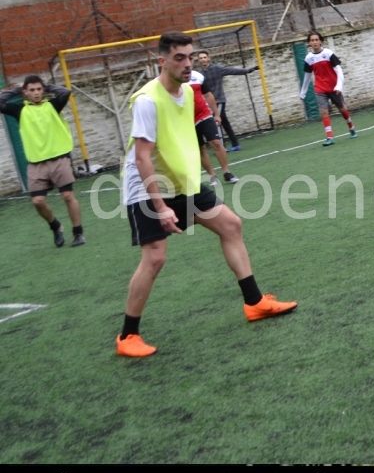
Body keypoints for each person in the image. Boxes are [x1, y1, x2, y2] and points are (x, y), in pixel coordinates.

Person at [117, 32, 297, 358]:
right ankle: (128, 335)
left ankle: (254, 303)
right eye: (179, 58)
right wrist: (161, 206)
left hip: (182, 182)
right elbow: (142, 158)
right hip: (146, 187)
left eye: (190, 57)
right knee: (155, 257)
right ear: (162, 61)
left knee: (231, 225)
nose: (187, 63)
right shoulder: (147, 100)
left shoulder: (188, 92)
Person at [0, 76, 85, 247]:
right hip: (36, 162)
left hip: (60, 157)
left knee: (68, 195)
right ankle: (55, 226)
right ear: (25, 92)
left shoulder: (53, 105)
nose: (36, 93)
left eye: (39, 89)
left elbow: (65, 92)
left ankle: (78, 233)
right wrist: (16, 90)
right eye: (32, 90)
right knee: (37, 201)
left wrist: (47, 85)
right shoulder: (19, 110)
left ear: (43, 90)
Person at [298, 31, 357, 146]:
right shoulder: (309, 58)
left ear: (321, 41)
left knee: (342, 109)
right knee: (324, 111)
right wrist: (303, 92)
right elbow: (307, 76)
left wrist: (339, 85)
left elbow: (339, 70)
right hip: (320, 88)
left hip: (334, 87)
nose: (314, 42)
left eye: (316, 40)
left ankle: (351, 127)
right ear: (309, 43)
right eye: (312, 40)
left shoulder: (328, 53)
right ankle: (329, 137)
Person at [196, 50, 258, 152]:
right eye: (201, 58)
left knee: (216, 122)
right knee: (225, 123)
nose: (203, 60)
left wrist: (248, 70)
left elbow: (232, 71)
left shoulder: (217, 68)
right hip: (210, 103)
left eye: (204, 57)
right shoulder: (199, 74)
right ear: (198, 60)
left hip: (220, 100)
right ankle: (236, 145)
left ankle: (221, 148)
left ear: (208, 58)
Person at [189, 69, 238, 188]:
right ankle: (212, 176)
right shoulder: (173, 80)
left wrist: (216, 114)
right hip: (188, 121)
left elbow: (208, 95)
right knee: (200, 149)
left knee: (216, 143)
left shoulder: (197, 76)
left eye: (189, 60)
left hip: (204, 115)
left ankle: (227, 173)